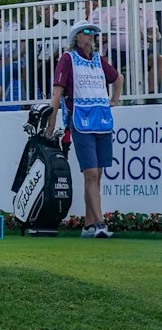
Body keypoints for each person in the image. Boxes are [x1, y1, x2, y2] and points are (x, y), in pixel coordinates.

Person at [45, 20, 122, 239]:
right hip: (80, 121)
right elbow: (56, 93)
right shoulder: (68, 58)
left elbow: (118, 78)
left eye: (92, 33)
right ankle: (99, 223)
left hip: (101, 121)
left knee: (97, 175)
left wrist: (114, 100)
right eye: (86, 32)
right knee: (91, 173)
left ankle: (88, 225)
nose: (90, 36)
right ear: (76, 37)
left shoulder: (98, 59)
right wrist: (51, 124)